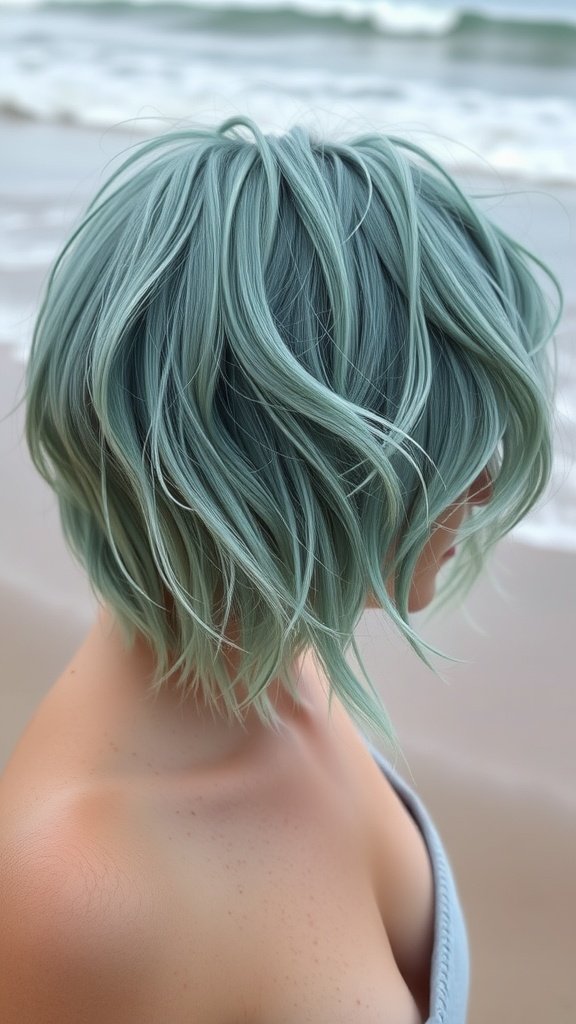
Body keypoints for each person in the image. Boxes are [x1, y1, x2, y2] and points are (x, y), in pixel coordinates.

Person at [0, 116, 561, 1024]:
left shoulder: (275, 657)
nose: (486, 479)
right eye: (444, 437)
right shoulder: (85, 900)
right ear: (282, 457)